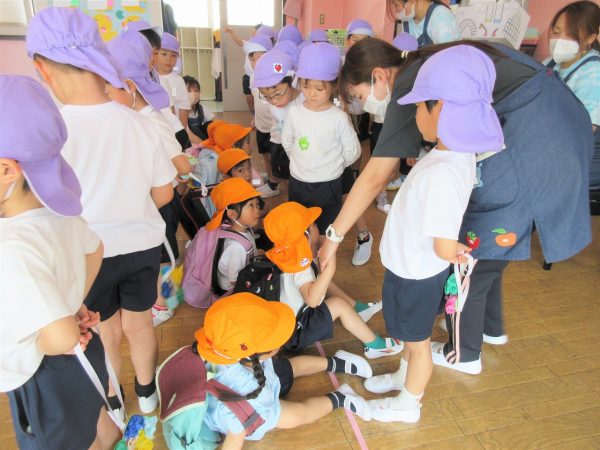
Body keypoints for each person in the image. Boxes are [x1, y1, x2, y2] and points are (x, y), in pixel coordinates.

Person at [322, 37, 593, 376]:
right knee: (488, 250)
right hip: (555, 121)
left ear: (379, 75)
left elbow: (376, 176)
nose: (367, 105)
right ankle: (489, 328)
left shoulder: (416, 81)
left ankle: (464, 352)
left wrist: (333, 237)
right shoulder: (429, 63)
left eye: (361, 96)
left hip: (537, 134)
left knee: (474, 255)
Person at [27, 7, 177, 415]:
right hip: (142, 247)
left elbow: (48, 207)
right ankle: (147, 394)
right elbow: (164, 193)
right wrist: (132, 207)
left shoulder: (52, 131)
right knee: (140, 324)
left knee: (107, 331)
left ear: (44, 70)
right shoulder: (140, 124)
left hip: (89, 255)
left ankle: (114, 401)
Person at [366, 45, 504, 423]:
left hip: (416, 275)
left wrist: (454, 249)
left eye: (419, 106)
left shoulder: (445, 171)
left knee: (419, 344)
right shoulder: (451, 154)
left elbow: (443, 245)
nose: (414, 114)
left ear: (441, 108)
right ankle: (403, 377)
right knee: (410, 338)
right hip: (408, 267)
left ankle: (409, 403)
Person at [0, 75, 119, 450]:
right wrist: (71, 304)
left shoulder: (10, 246)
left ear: (6, 170)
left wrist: (60, 325)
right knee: (92, 425)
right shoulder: (57, 213)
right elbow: (94, 249)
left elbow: (62, 338)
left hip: (46, 373)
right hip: (80, 356)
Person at [197, 293, 371, 449]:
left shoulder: (217, 342)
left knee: (288, 369)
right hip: (249, 406)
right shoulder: (243, 413)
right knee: (300, 415)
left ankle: (335, 363)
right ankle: (341, 397)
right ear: (267, 354)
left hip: (244, 386)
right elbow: (233, 440)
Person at [106, 32, 193, 327]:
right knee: (158, 254)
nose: (105, 95)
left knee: (166, 255)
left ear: (129, 86)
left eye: (109, 87)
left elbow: (182, 164)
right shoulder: (131, 118)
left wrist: (178, 175)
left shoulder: (152, 120)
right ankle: (164, 297)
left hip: (162, 201)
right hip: (149, 201)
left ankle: (166, 303)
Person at [264, 202, 403, 359]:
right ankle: (375, 346)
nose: (317, 226)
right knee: (338, 304)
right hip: (294, 333)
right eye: (314, 225)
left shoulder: (287, 254)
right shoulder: (301, 268)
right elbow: (312, 301)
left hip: (285, 324)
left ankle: (357, 309)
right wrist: (330, 267)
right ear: (306, 236)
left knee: (321, 281)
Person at [282, 42, 361, 239]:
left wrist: (333, 165)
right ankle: (305, 256)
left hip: (329, 183)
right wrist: (301, 161)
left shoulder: (339, 117)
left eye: (319, 88)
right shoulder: (293, 113)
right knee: (301, 226)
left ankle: (323, 254)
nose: (311, 93)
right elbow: (287, 141)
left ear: (334, 85)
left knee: (326, 228)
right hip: (299, 181)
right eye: (305, 86)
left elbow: (353, 150)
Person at [544, 1, 600, 187]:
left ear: (591, 38)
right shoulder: (549, 64)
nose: (560, 40)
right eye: (557, 32)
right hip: (552, 145)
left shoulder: (594, 74)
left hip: (582, 157)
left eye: (570, 34)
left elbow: (583, 133)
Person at [125, 20, 192, 150]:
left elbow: (169, 113)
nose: (152, 58)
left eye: (155, 53)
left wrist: (179, 131)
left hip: (162, 135)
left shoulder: (158, 79)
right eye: (162, 54)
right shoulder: (121, 80)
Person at [205, 178, 262, 293]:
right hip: (233, 291)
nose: (257, 210)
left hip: (245, 273)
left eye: (257, 204)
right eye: (251, 206)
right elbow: (236, 281)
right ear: (232, 214)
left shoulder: (244, 228)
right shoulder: (235, 247)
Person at [245, 35, 277, 196]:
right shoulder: (252, 77)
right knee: (265, 155)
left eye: (260, 57)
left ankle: (275, 184)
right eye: (252, 58)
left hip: (274, 127)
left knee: (274, 156)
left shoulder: (274, 77)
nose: (256, 62)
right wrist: (254, 118)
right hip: (261, 125)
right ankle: (271, 179)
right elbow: (258, 101)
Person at [156, 32, 198, 143]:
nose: (169, 59)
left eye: (173, 55)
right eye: (164, 54)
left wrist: (181, 131)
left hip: (177, 129)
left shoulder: (178, 81)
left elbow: (184, 107)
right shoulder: (151, 78)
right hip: (159, 128)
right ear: (155, 54)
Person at [223, 23, 262, 114]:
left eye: (254, 32)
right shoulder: (248, 44)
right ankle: (253, 116)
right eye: (252, 32)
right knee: (249, 99)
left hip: (259, 77)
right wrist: (232, 32)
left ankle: (259, 117)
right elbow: (239, 41)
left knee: (259, 100)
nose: (252, 34)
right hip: (247, 76)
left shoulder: (264, 46)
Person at [389, 0, 459, 47]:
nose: (396, 10)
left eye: (396, 5)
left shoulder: (441, 16)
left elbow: (447, 56)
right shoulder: (407, 19)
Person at [183, 75, 215, 140]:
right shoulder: (179, 110)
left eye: (196, 91)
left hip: (201, 138)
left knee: (211, 124)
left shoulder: (201, 108)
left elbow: (217, 121)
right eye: (189, 91)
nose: (194, 94)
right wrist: (204, 144)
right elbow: (185, 132)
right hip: (188, 140)